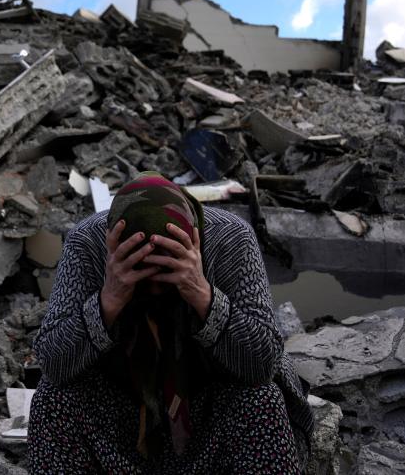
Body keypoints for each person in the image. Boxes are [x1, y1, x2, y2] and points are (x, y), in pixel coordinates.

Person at [29, 172, 312, 474]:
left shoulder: (230, 239)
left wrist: (202, 295)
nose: (155, 291)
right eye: (143, 278)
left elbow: (264, 362)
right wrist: (108, 301)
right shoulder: (88, 243)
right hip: (123, 415)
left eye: (165, 276)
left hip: (210, 409)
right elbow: (52, 364)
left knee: (261, 399)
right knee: (52, 399)